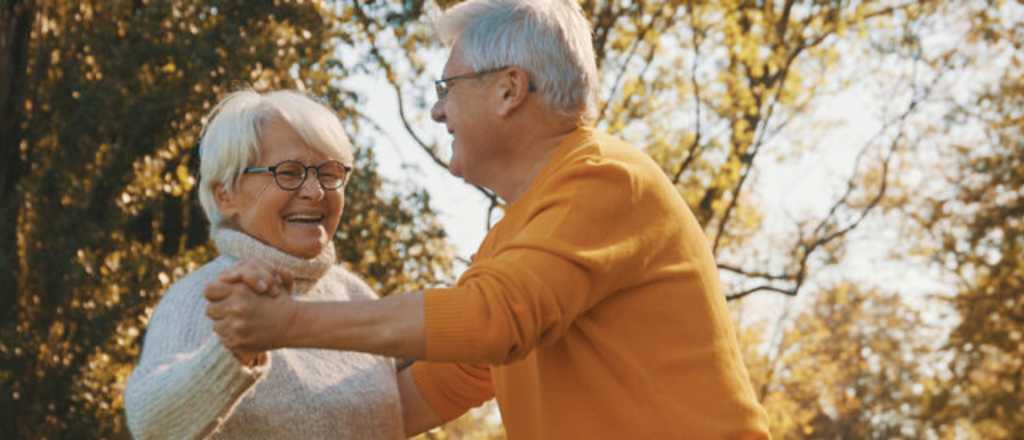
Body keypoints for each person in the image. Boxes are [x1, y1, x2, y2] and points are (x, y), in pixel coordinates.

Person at [204, 0, 772, 438]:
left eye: (448, 87)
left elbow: (492, 320)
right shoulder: (516, 238)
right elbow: (422, 394)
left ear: (508, 89)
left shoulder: (608, 178)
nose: (437, 110)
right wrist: (235, 404)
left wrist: (287, 323)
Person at [123, 90, 408, 439]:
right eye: (289, 172)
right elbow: (150, 425)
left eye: (330, 173)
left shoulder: (357, 295)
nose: (316, 190)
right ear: (225, 194)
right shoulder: (201, 297)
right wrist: (235, 351)